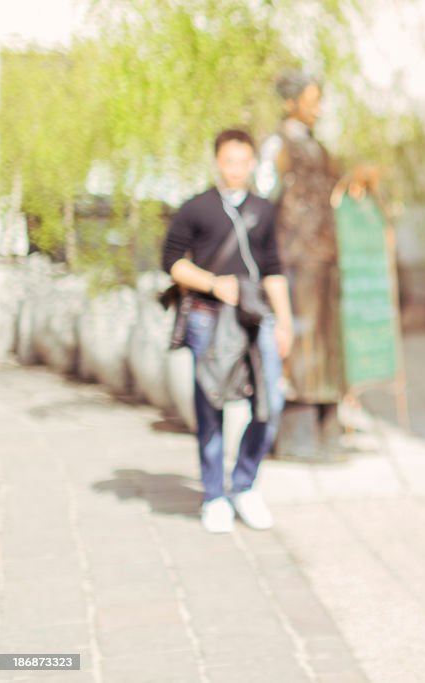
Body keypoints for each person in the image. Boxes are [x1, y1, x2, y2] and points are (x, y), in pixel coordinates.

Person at [163, 128, 293, 533]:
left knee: (269, 403)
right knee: (211, 406)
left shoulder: (265, 209)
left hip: (257, 317)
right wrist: (214, 283)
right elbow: (172, 263)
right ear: (217, 162)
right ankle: (214, 495)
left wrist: (285, 321)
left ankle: (245, 485)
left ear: (252, 163)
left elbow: (273, 268)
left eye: (243, 162)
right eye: (229, 161)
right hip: (209, 316)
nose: (236, 169)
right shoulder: (195, 208)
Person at [255, 70, 347, 460]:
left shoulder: (320, 149)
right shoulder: (276, 146)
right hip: (293, 260)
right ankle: (297, 433)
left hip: (323, 261)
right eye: (313, 101)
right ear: (291, 103)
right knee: (301, 343)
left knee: (325, 345)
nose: (319, 109)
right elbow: (261, 202)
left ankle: (325, 425)